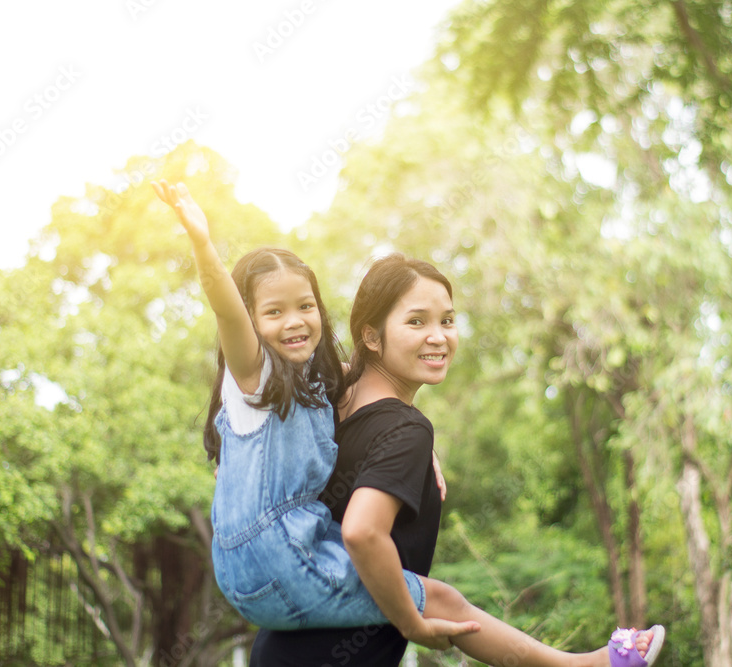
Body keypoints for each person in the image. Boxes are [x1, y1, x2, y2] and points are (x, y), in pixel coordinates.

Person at [154, 180, 665, 667]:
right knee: (441, 601)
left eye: (447, 319)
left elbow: (340, 416)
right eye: (417, 321)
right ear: (372, 336)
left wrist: (414, 440)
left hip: (275, 638)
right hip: (316, 617)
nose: (439, 336)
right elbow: (359, 531)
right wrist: (202, 245)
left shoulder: (329, 397)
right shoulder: (303, 392)